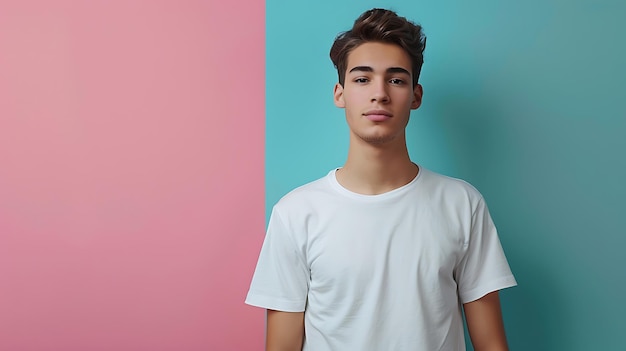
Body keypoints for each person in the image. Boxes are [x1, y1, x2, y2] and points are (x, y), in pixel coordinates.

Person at [246, 8, 517, 351]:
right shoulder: (296, 213)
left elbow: (491, 343)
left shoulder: (462, 204)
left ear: (415, 96)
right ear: (339, 94)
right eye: (362, 79)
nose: (380, 94)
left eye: (396, 79)